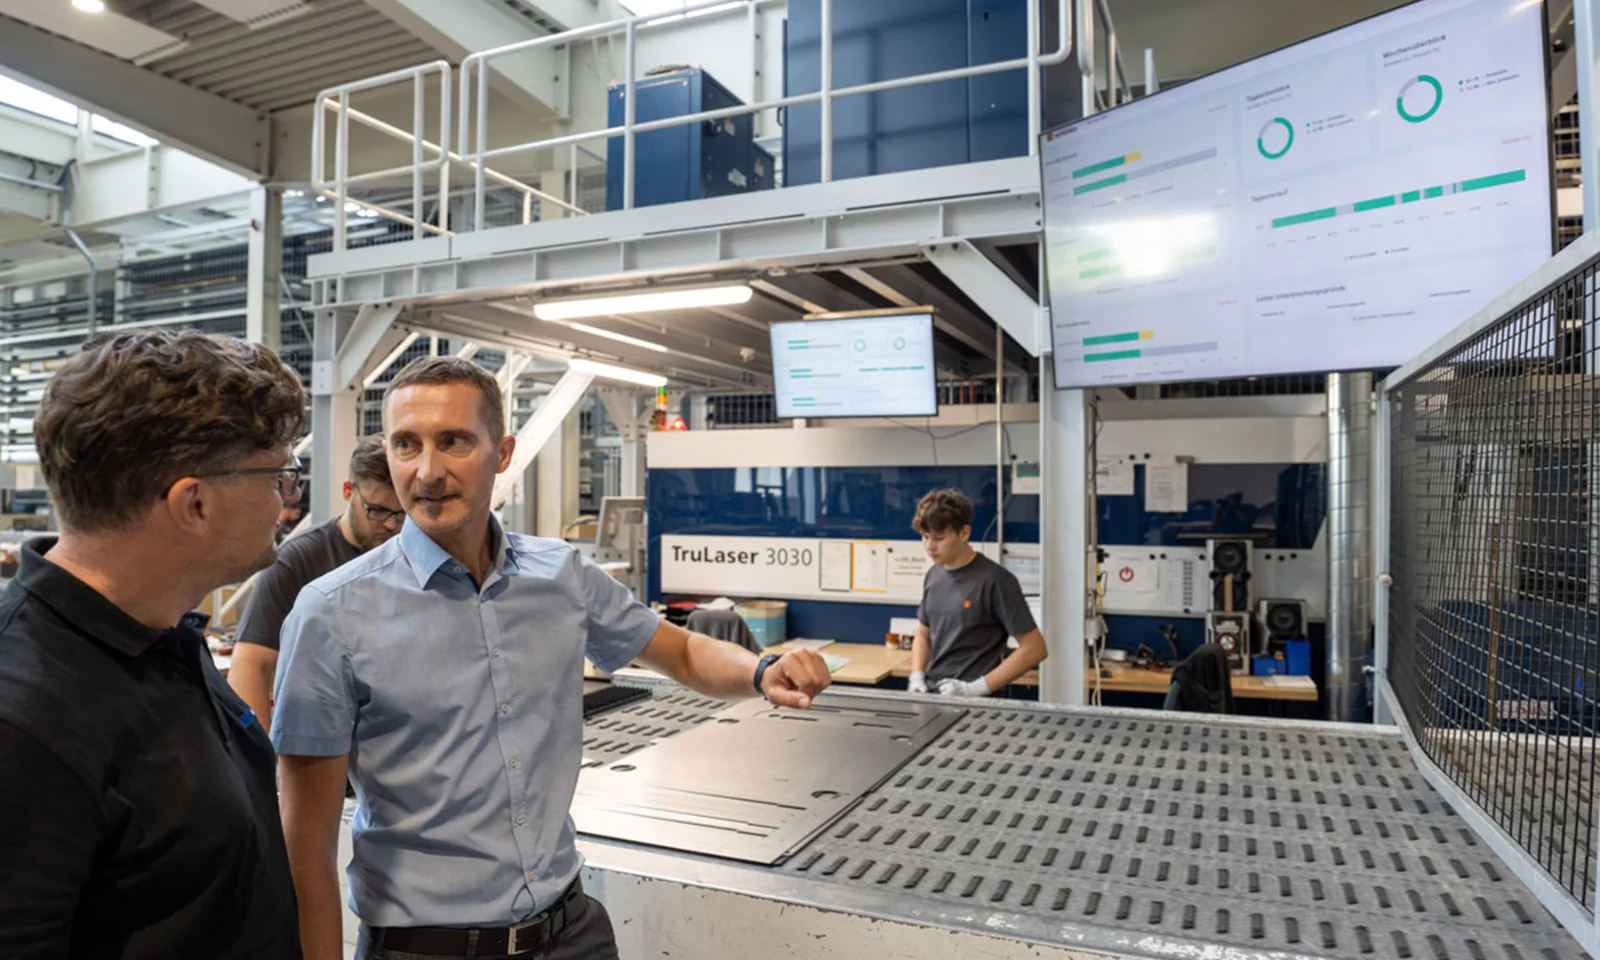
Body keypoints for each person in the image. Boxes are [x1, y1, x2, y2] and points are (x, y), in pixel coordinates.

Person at [273, 356, 832, 960]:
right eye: (407, 445)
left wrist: (761, 670)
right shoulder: (331, 613)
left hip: (571, 934)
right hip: (426, 948)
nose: (427, 471)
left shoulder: (561, 576)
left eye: (454, 442)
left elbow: (685, 652)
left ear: (502, 451)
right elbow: (305, 853)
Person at [0, 331, 306, 958]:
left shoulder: (160, 635)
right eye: (278, 475)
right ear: (193, 503)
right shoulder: (23, 721)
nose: (286, 500)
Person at [229, 435, 404, 732]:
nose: (391, 524)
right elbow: (249, 665)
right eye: (378, 510)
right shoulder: (297, 562)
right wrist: (258, 764)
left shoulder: (411, 555)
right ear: (348, 491)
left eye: (402, 514)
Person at [907, 488, 1048, 697]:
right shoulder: (934, 575)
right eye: (925, 537)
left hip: (978, 702)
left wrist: (975, 689)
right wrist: (916, 674)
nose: (929, 547)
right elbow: (923, 634)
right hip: (934, 694)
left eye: (938, 538)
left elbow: (1034, 649)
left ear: (964, 533)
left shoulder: (996, 581)